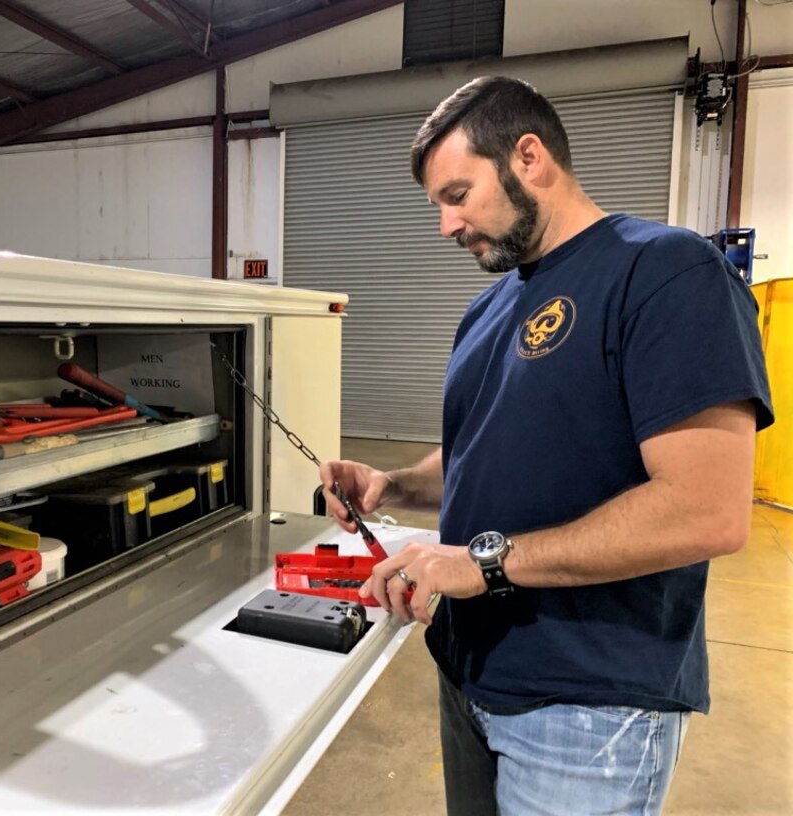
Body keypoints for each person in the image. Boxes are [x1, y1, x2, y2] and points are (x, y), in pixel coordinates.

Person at [319, 76, 773, 816]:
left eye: (458, 194)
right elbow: (487, 453)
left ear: (528, 156)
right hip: (470, 672)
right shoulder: (490, 306)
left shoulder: (666, 272)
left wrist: (482, 562)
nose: (445, 225)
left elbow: (707, 511)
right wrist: (392, 484)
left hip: (587, 702)